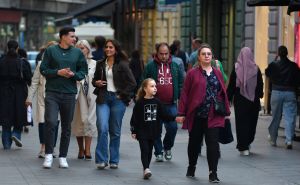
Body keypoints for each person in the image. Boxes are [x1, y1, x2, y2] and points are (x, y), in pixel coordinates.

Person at [176, 43, 230, 183]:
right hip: (197, 114)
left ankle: (213, 173)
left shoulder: (217, 73)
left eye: (209, 54)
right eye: (204, 54)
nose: (207, 56)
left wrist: (225, 110)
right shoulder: (192, 74)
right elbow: (185, 94)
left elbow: (222, 91)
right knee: (194, 143)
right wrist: (181, 113)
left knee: (212, 144)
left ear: (212, 57)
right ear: (198, 57)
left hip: (213, 115)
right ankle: (192, 165)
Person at [40, 27, 88, 168]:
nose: (74, 39)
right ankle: (48, 154)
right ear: (63, 37)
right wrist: (58, 72)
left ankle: (63, 156)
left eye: (74, 36)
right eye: (72, 36)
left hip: (69, 93)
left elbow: (83, 71)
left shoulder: (77, 53)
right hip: (52, 93)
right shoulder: (50, 51)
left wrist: (74, 75)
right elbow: (43, 69)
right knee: (51, 122)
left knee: (66, 127)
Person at [92, 39, 136, 169]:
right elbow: (94, 79)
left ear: (116, 49)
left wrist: (122, 95)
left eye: (111, 47)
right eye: (106, 47)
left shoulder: (122, 64)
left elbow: (132, 83)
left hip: (117, 100)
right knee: (103, 127)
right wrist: (97, 83)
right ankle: (101, 159)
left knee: (115, 131)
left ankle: (114, 160)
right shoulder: (100, 64)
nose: (108, 49)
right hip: (103, 98)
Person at [142, 42, 183, 162]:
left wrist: (180, 96)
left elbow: (181, 82)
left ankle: (167, 147)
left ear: (169, 53)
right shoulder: (150, 66)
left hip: (170, 104)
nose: (164, 56)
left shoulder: (175, 65)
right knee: (155, 129)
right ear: (157, 53)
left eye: (166, 54)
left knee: (173, 128)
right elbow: (143, 81)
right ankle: (158, 152)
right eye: (161, 54)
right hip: (154, 103)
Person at [130, 78, 175, 179]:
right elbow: (134, 118)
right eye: (152, 86)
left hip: (154, 131)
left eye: (155, 86)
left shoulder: (157, 102)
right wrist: (133, 130)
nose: (155, 88)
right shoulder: (140, 103)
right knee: (144, 149)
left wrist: (175, 118)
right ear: (145, 88)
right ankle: (146, 168)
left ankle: (147, 168)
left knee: (149, 150)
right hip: (142, 131)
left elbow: (164, 115)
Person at [227, 47, 264, 155]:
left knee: (241, 123)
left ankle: (243, 146)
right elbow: (260, 84)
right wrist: (260, 95)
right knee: (252, 123)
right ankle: (247, 142)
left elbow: (232, 85)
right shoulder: (256, 68)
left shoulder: (236, 68)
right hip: (253, 101)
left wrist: (228, 97)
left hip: (240, 100)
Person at [25, 41, 59, 158]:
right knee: (43, 123)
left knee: (54, 123)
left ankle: (52, 149)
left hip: (57, 98)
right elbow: (34, 83)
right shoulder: (41, 64)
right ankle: (43, 147)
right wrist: (29, 98)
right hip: (42, 99)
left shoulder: (62, 64)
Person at [265, 45, 300, 149]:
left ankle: (273, 139)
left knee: (275, 117)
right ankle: (289, 140)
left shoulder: (274, 65)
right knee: (290, 117)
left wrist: (275, 59)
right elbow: (298, 79)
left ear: (278, 54)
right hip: (290, 92)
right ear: (287, 53)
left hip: (276, 92)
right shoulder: (293, 66)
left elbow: (267, 73)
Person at [0, 40, 32, 149]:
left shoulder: (1, 61)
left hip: (4, 92)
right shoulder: (23, 62)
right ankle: (16, 134)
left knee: (5, 118)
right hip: (19, 92)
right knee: (19, 115)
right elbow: (29, 79)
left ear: (7, 48)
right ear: (17, 48)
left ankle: (6, 145)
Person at [72, 40, 97, 160]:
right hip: (77, 95)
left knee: (90, 122)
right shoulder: (73, 63)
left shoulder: (94, 63)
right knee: (78, 122)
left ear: (88, 49)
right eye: (79, 48)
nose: (81, 50)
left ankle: (88, 149)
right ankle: (80, 149)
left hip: (91, 96)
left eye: (83, 48)